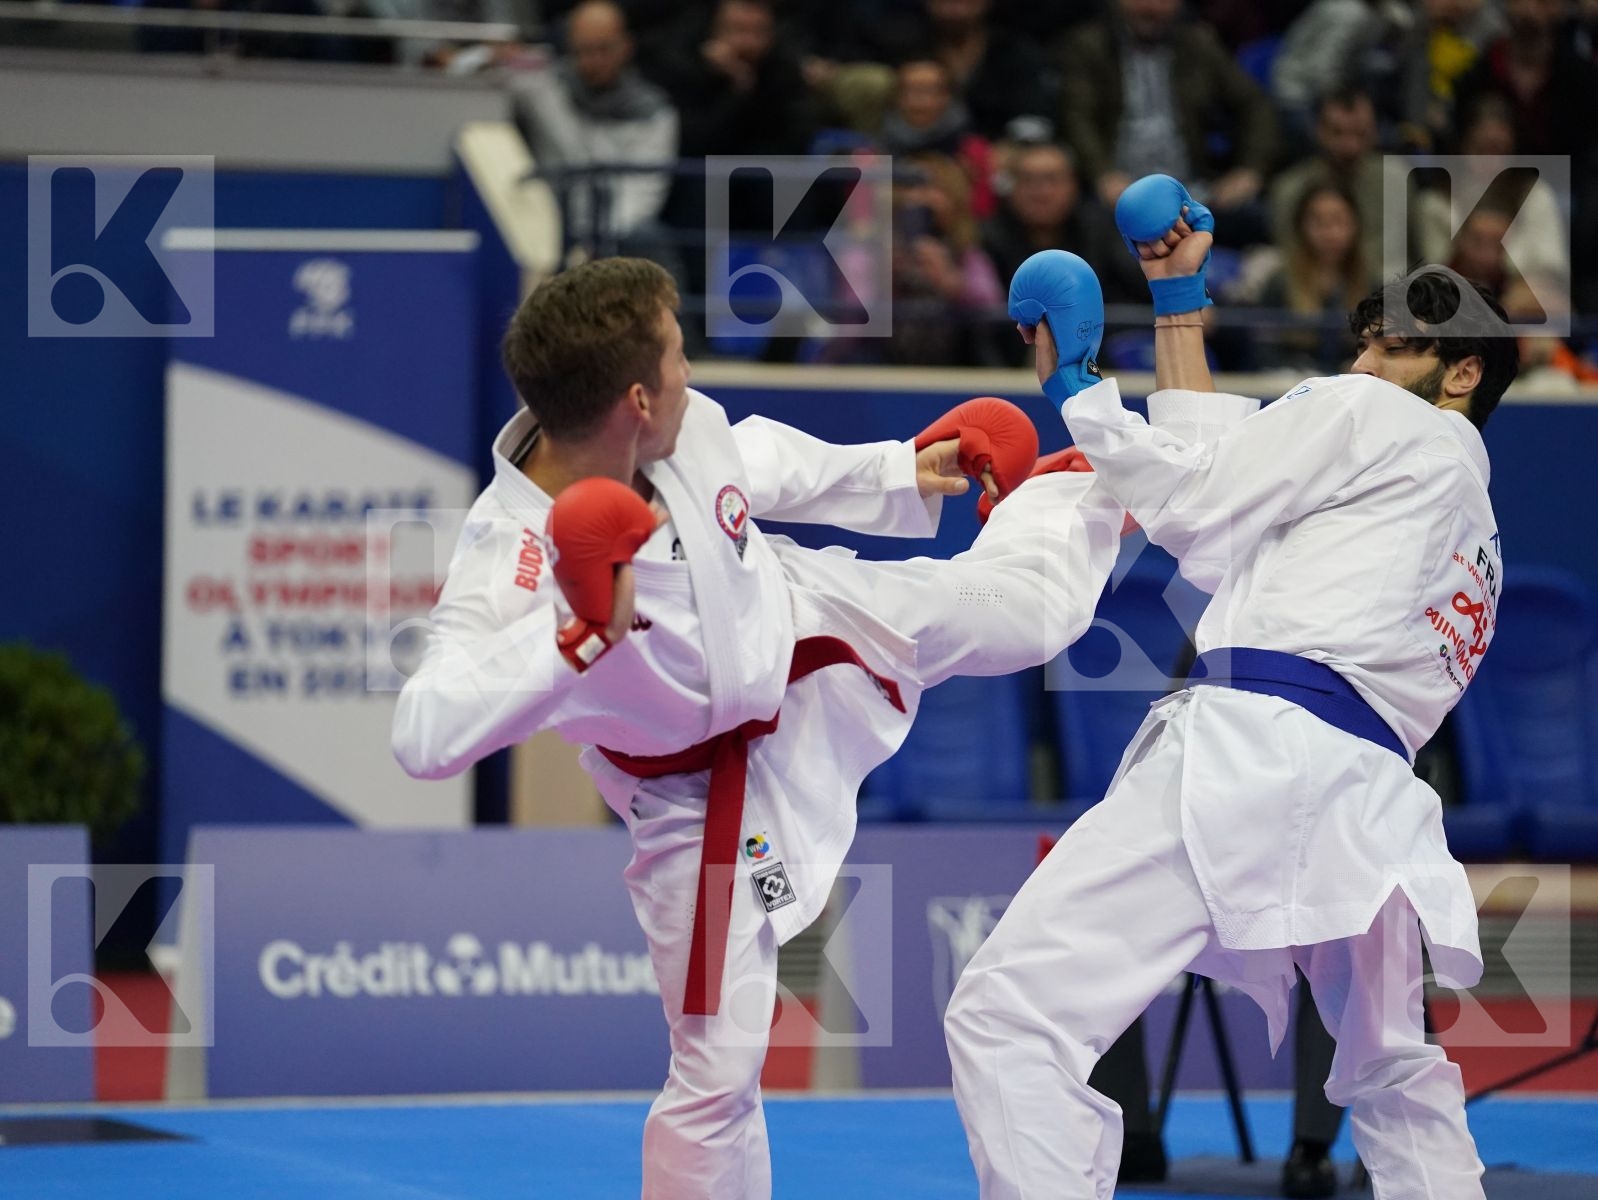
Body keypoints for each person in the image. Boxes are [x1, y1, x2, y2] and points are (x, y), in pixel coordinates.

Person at [392, 256, 1133, 1199]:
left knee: (1034, 618)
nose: (690, 370)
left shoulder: (687, 425)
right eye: (676, 356)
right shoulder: (514, 558)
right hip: (692, 801)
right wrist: (571, 639)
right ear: (634, 400)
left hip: (812, 624)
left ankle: (1090, 477)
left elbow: (762, 460)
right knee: (717, 1066)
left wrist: (900, 467)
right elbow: (423, 735)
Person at [945, 174, 1517, 1198]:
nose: (1361, 361)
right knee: (1390, 1072)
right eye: (1361, 342)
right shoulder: (1470, 528)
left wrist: (1078, 388)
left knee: (1006, 1013)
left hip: (1249, 756)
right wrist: (1177, 302)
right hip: (1367, 798)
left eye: (1392, 345)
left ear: (1461, 369)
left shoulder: (1367, 417)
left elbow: (1196, 511)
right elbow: (1232, 492)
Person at [1057, 0, 1278, 239]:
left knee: (1270, 221)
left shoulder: (1198, 43)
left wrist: (1250, 170)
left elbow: (1254, 104)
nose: (1151, 7)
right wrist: (1102, 174)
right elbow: (1077, 117)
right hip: (1116, 193)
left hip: (1194, 193)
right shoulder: (1088, 46)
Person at [511, 1, 678, 255]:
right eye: (583, 50)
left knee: (648, 237)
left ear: (626, 47)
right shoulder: (545, 89)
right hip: (549, 221)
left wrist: (597, 239)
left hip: (618, 234)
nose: (593, 61)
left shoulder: (654, 113)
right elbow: (502, 73)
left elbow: (642, 196)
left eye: (603, 49)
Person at [1259, 183, 1372, 375]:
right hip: (1293, 388)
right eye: (1319, 223)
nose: (1330, 233)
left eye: (1339, 221)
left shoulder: (1373, 286)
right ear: (1301, 227)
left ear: (1355, 226)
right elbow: (1263, 352)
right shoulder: (1279, 284)